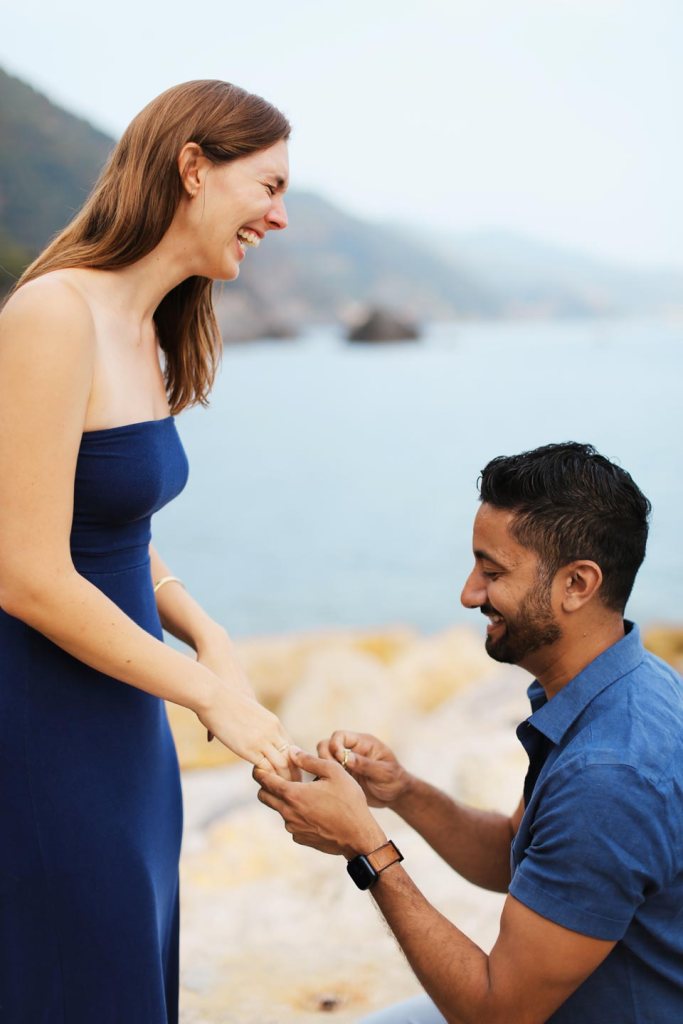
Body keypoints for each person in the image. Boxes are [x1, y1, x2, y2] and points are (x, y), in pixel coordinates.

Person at [0, 79, 297, 1024]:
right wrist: (207, 692)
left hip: (128, 720)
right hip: (45, 725)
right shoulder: (54, 315)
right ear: (192, 166)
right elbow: (26, 571)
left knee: (128, 963)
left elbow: (114, 532)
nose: (280, 217)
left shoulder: (150, 328)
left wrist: (205, 632)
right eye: (269, 186)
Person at [257, 442, 683, 1024]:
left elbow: (496, 1013)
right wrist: (401, 791)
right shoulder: (629, 684)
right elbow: (515, 856)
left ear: (577, 584)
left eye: (493, 571)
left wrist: (367, 848)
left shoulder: (609, 776)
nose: (468, 594)